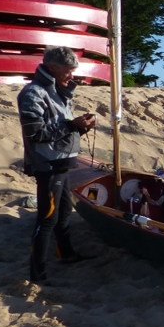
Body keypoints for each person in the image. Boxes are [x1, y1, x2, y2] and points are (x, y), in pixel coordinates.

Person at [18, 46, 97, 282]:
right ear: (52, 67)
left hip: (62, 162)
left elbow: (59, 130)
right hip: (49, 165)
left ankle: (67, 254)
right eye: (68, 71)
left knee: (64, 212)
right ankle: (37, 274)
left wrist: (80, 127)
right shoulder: (33, 93)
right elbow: (36, 134)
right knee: (47, 218)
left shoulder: (58, 92)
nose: (72, 76)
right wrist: (72, 125)